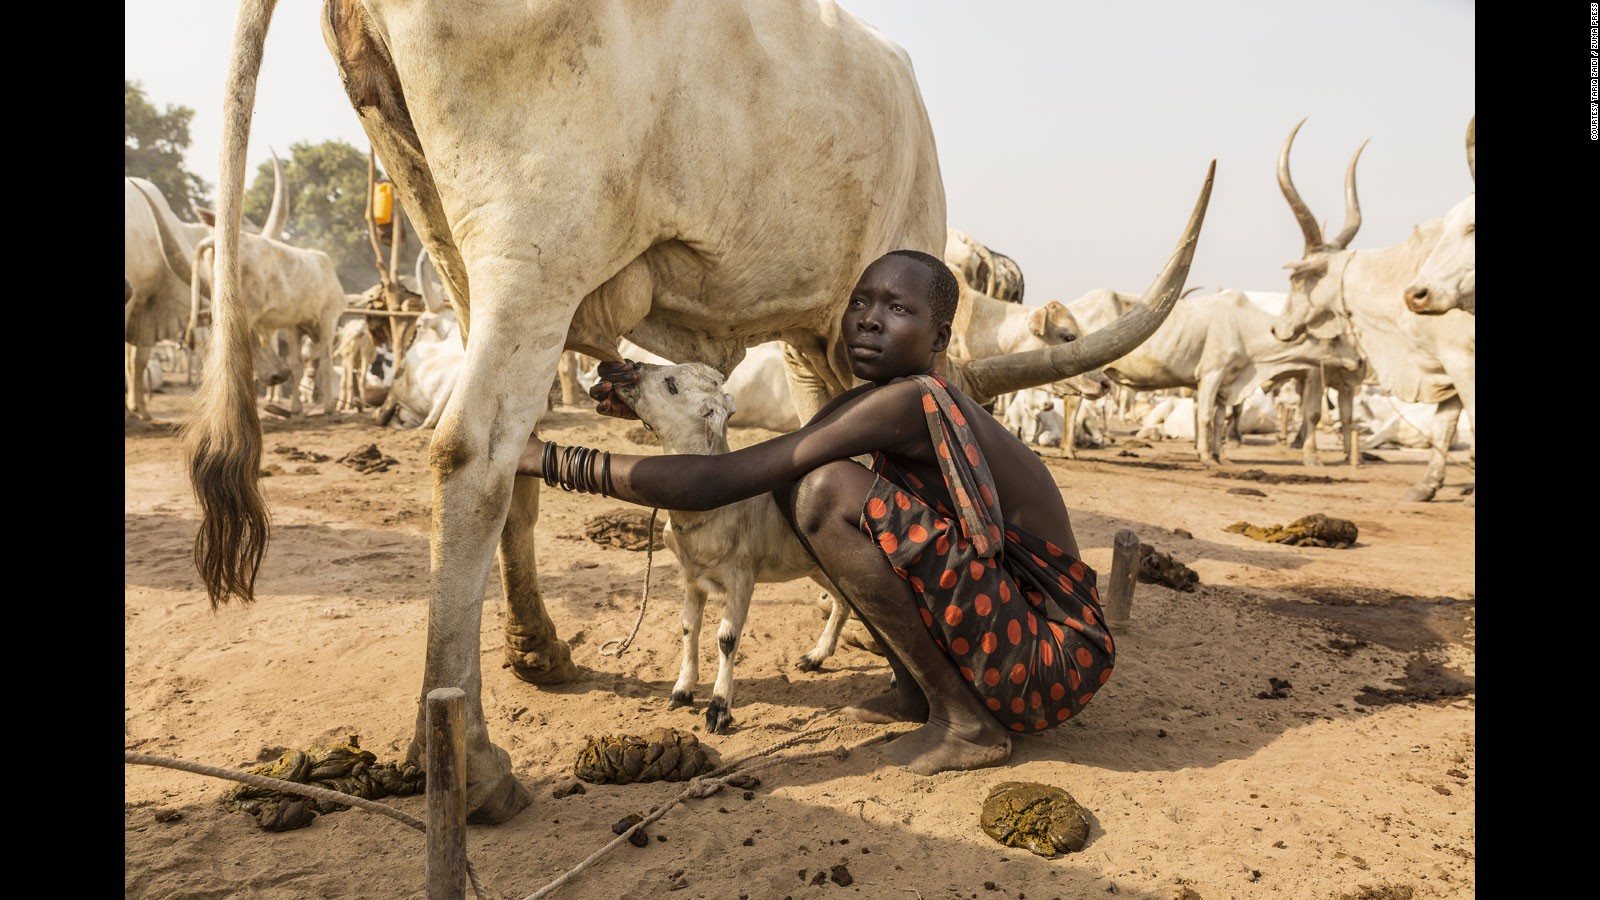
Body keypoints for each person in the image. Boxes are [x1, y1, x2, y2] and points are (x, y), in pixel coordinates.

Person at [518, 249, 1114, 775]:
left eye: (898, 309)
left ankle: (968, 724)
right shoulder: (882, 400)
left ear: (939, 340)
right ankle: (915, 690)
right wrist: (664, 412)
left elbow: (720, 480)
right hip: (1014, 633)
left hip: (1051, 660)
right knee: (798, 482)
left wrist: (551, 459)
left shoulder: (910, 401)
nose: (870, 318)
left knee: (827, 492)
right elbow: (762, 469)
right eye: (860, 301)